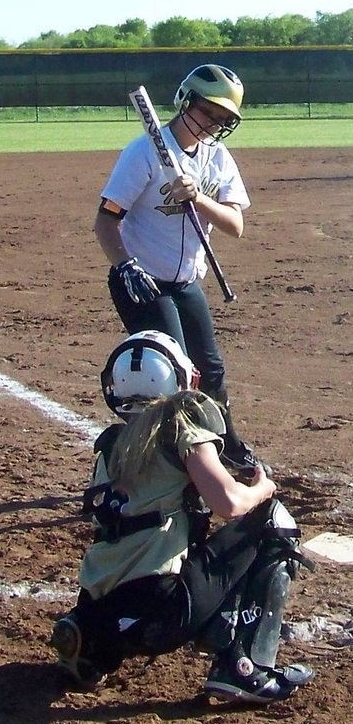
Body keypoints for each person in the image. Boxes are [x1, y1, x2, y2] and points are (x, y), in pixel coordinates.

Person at [50, 330, 314, 704]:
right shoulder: (181, 429)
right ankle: (243, 667)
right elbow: (229, 503)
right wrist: (262, 488)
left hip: (98, 606)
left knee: (146, 534)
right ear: (177, 379)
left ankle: (92, 648)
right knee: (271, 520)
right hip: (163, 611)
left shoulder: (110, 446)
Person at [95, 63, 268, 475]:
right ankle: (162, 462)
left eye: (223, 119)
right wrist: (124, 265)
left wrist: (200, 198)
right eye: (209, 111)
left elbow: (236, 225)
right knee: (173, 374)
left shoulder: (217, 158)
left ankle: (227, 445)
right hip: (142, 279)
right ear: (186, 100)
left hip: (186, 281)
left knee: (211, 370)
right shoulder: (143, 154)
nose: (213, 123)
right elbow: (106, 220)